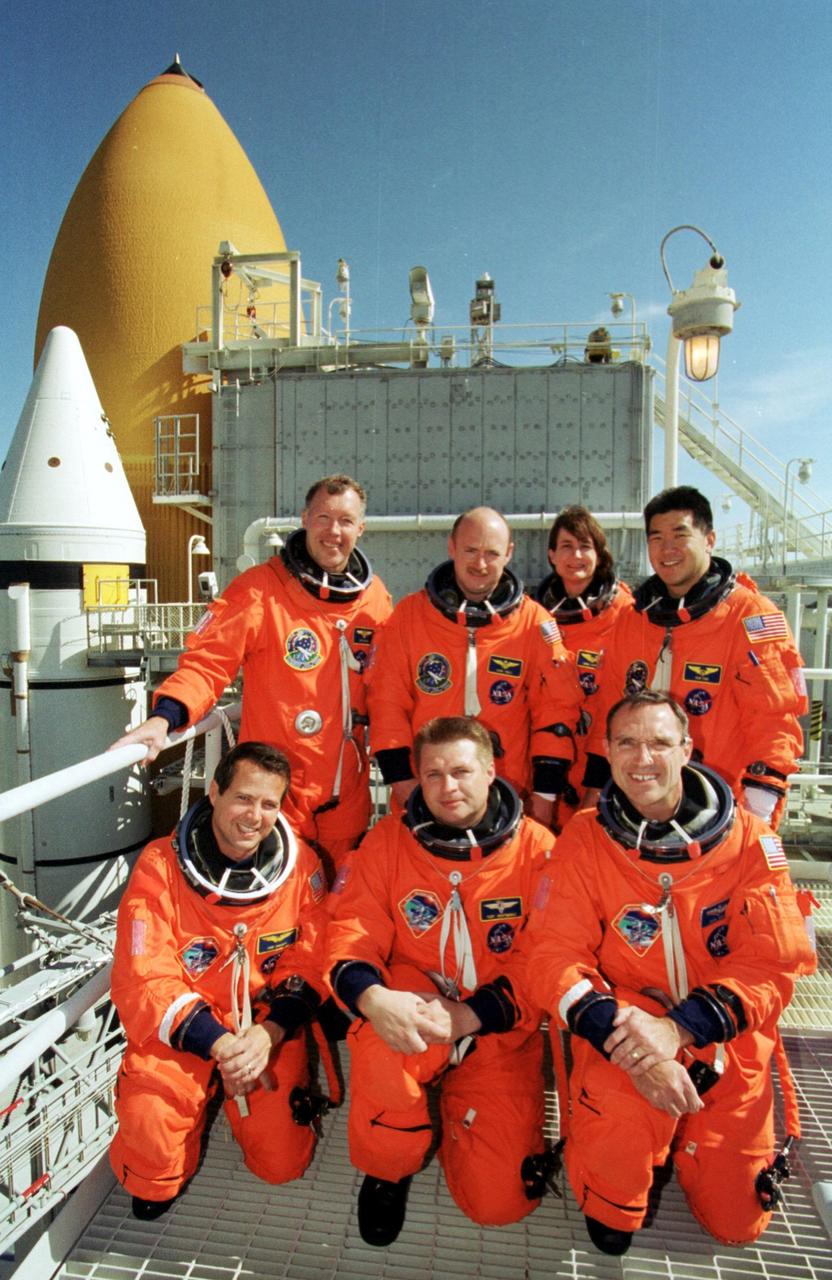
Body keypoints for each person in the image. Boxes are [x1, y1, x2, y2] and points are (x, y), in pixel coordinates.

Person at [524, 690, 815, 1255]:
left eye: (660, 742)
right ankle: (632, 1150)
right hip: (626, 1026)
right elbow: (550, 956)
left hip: (724, 1033)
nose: (643, 758)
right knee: (612, 1222)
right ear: (606, 751)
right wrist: (635, 1043)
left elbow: (773, 967)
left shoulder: (751, 840)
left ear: (687, 747)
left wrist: (678, 1031)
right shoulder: (584, 838)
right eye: (627, 743)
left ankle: (682, 1142)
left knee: (738, 1223)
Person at [325, 716, 554, 1245]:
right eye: (432, 775)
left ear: (492, 770)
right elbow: (351, 930)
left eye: (461, 771)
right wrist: (373, 997)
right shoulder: (386, 842)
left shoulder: (539, 850)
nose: (447, 787)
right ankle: (388, 1166)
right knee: (380, 1042)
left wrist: (471, 1016)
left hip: (498, 1030)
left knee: (499, 1205)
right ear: (417, 779)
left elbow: (547, 956)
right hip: (409, 1013)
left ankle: (458, 1113)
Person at [112, 475, 392, 869]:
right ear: (305, 519)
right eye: (324, 517)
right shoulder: (260, 589)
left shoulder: (374, 598)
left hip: (346, 792)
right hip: (274, 791)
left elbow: (390, 684)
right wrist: (165, 717)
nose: (334, 531)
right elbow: (208, 661)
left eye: (346, 521)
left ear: (359, 529)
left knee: (338, 906)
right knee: (275, 905)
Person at [109, 742, 331, 1219]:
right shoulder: (160, 866)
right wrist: (219, 1045)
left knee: (281, 1165)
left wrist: (268, 1034)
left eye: (269, 804)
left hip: (261, 1027)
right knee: (152, 1157)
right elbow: (143, 978)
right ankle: (182, 1117)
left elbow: (312, 960)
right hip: (186, 1025)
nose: (255, 816)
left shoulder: (302, 868)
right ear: (213, 792)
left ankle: (231, 1100)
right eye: (243, 799)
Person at [583, 486, 806, 826]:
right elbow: (608, 712)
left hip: (721, 808)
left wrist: (757, 813)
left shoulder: (750, 616)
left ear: (709, 539)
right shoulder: (632, 620)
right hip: (635, 803)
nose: (667, 549)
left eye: (680, 535)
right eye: (656, 538)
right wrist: (595, 795)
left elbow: (775, 720)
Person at [367, 506, 582, 828]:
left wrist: (544, 796)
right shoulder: (409, 618)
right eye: (470, 550)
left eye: (491, 553)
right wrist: (402, 783)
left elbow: (556, 713)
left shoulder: (534, 624)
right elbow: (387, 704)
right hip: (428, 790)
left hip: (509, 792)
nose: (480, 564)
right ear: (452, 546)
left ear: (509, 554)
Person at [534, 504, 633, 809]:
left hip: (602, 764)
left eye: (584, 547)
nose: (575, 556)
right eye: (566, 546)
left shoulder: (627, 614)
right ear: (551, 555)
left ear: (599, 555)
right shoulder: (533, 616)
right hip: (543, 759)